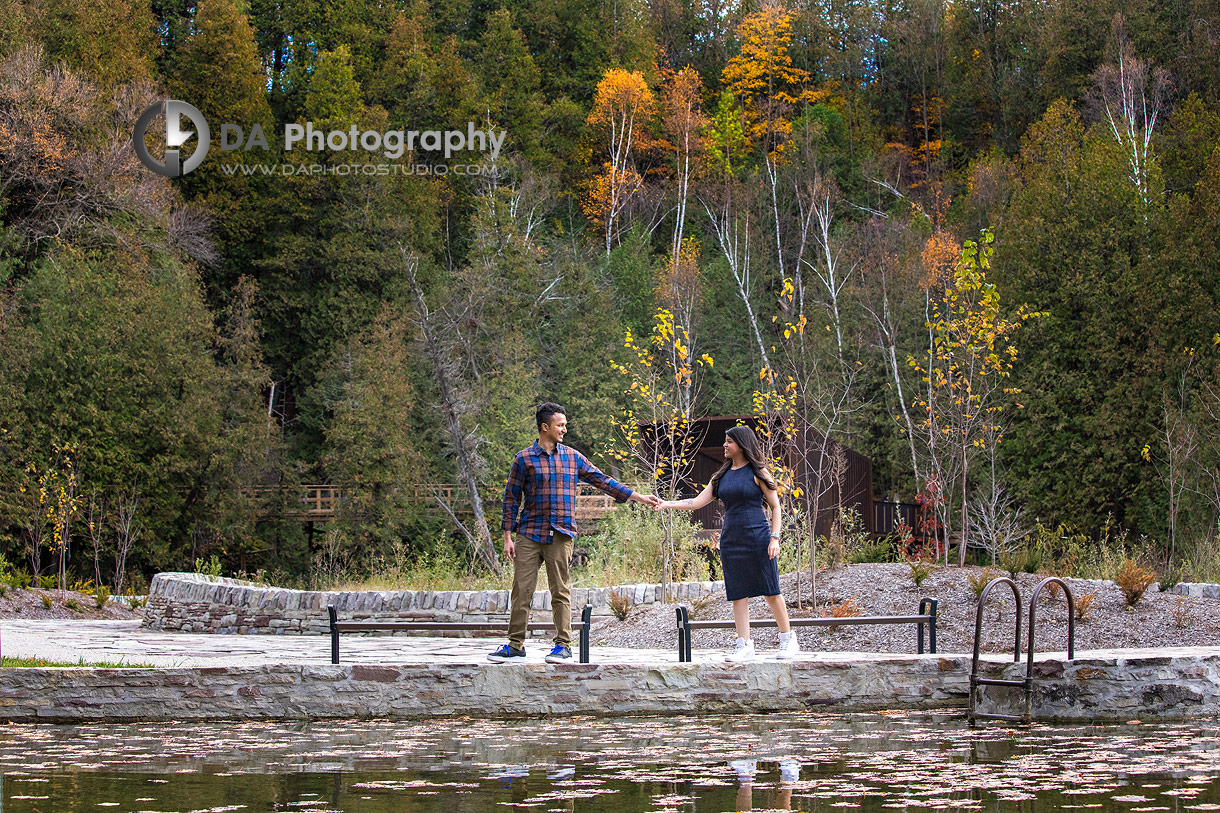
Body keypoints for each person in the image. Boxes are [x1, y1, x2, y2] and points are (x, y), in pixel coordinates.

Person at [490, 402, 660, 664]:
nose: (564, 430)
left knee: (560, 591)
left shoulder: (572, 456)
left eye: (565, 425)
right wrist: (507, 537)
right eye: (560, 425)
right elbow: (510, 499)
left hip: (560, 534)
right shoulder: (523, 459)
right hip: (529, 533)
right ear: (545, 427)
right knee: (522, 590)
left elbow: (602, 480)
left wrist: (636, 496)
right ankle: (515, 644)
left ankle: (562, 645)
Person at [655, 425, 798, 662]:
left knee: (771, 590)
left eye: (728, 441)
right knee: (738, 593)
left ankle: (788, 639)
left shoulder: (758, 471)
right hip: (731, 540)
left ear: (741, 444)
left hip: (758, 538)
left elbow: (776, 506)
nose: (724, 445)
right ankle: (744, 645)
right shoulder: (720, 476)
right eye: (725, 441)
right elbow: (696, 502)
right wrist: (666, 504)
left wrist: (775, 538)